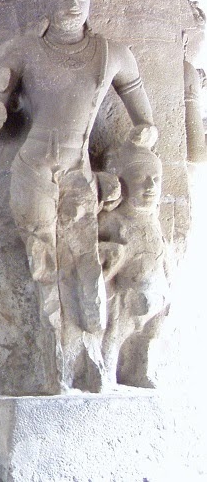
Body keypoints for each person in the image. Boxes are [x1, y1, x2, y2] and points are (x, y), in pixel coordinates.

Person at [0, 0, 157, 391]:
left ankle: (90, 358)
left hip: (78, 171)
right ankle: (59, 359)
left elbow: (139, 107)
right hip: (34, 168)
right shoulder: (21, 50)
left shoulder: (111, 53)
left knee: (86, 262)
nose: (72, 3)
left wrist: (144, 131)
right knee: (45, 263)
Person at [98, 142, 167, 388]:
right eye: (139, 177)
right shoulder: (112, 220)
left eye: (156, 179)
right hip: (123, 295)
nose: (150, 186)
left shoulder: (153, 222)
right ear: (121, 183)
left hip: (156, 294)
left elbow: (162, 255)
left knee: (150, 336)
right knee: (113, 334)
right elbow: (91, 254)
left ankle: (140, 370)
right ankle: (106, 372)